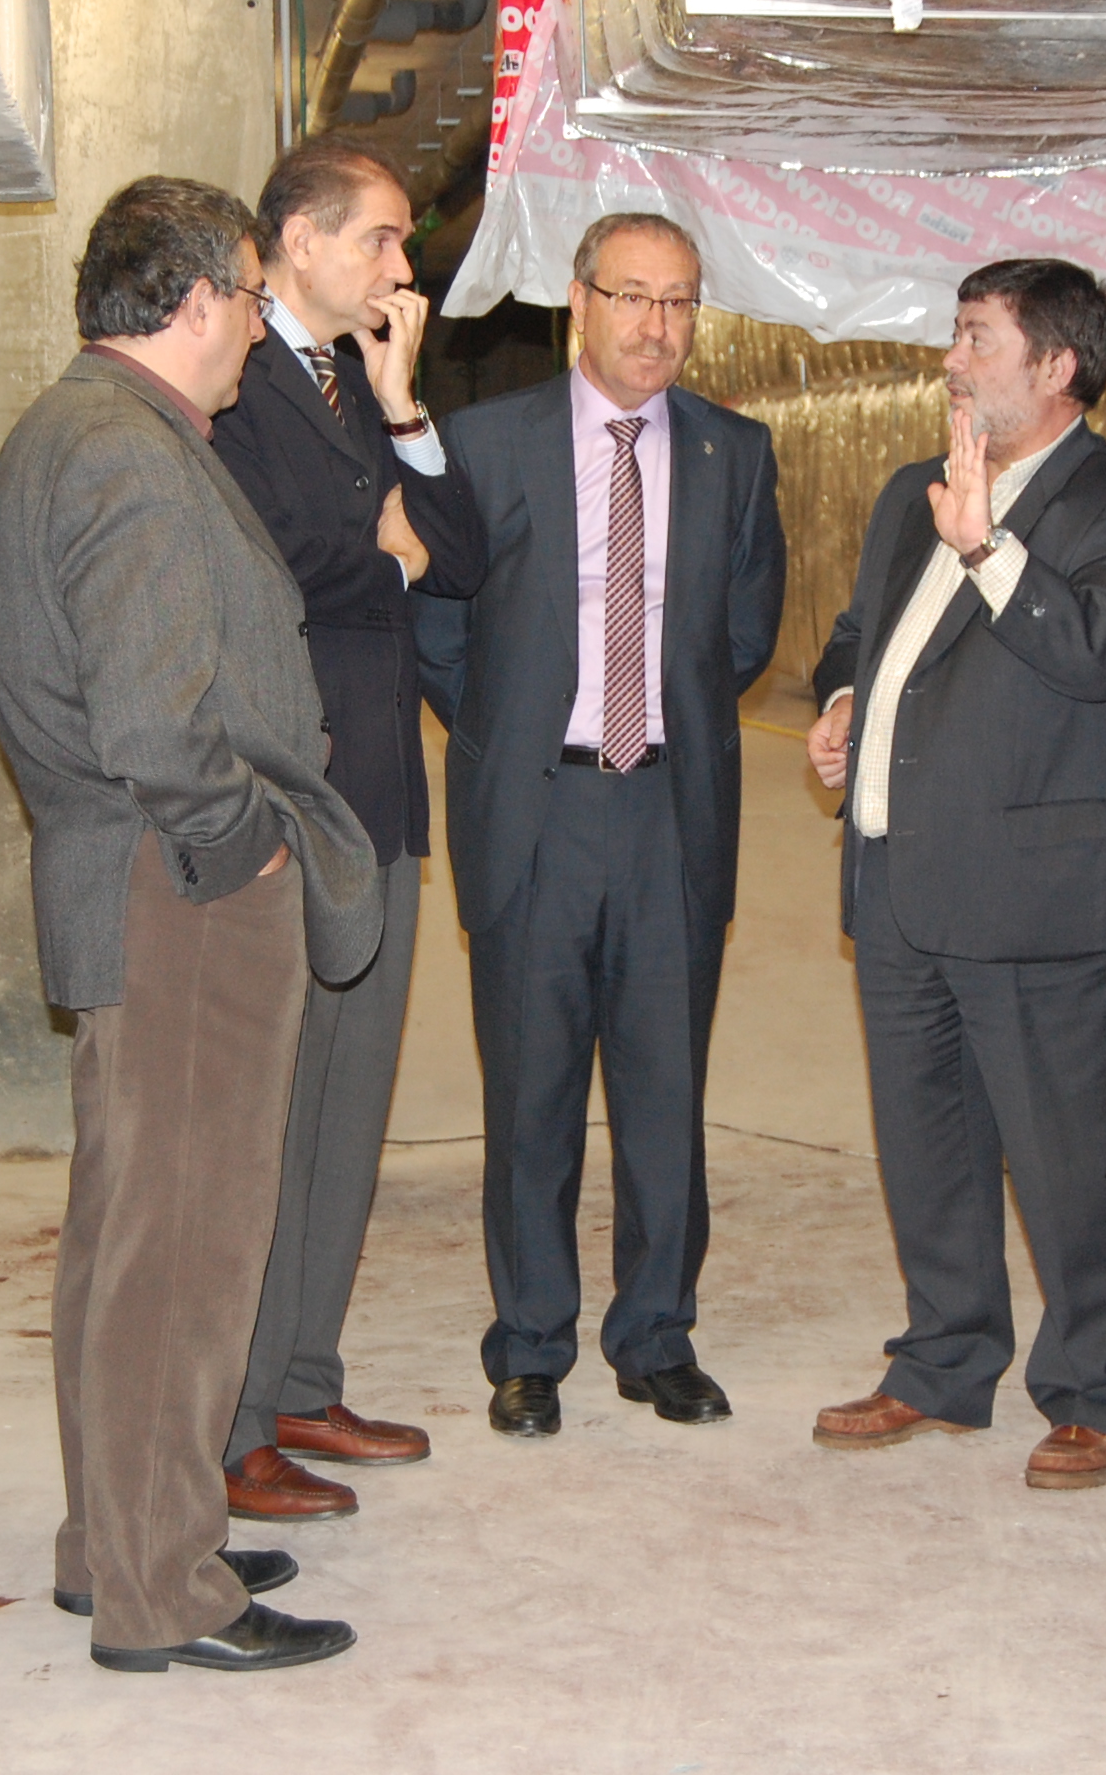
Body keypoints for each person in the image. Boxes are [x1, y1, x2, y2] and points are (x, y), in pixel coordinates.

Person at [0, 176, 383, 1673]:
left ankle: (120, 1543)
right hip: (183, 891)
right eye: (251, 302)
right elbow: (156, 720)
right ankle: (163, 1587)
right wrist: (244, 851)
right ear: (202, 298)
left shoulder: (85, 428)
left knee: (128, 1236)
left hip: (143, 880)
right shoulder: (127, 453)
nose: (257, 334)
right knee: (185, 1251)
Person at [802, 259, 1106, 1491]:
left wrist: (986, 548)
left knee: (1071, 1160)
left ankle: (1100, 1389)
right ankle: (942, 1361)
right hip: (898, 883)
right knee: (928, 1149)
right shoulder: (908, 491)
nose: (950, 360)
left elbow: (1104, 652)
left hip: (1036, 900)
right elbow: (862, 633)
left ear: (1055, 365)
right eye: (954, 334)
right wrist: (842, 700)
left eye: (977, 338)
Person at [414, 212, 785, 1438]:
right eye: (630, 295)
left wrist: (660, 718)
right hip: (538, 808)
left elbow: (743, 628)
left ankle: (655, 1335)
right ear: (576, 301)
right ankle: (529, 1343)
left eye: (677, 301)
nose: (654, 325)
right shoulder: (484, 443)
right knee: (529, 1091)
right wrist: (509, 731)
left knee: (663, 1090)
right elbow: (438, 621)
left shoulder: (734, 451)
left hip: (671, 807)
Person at [205, 138, 488, 1524]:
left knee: (348, 1108)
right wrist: (384, 542)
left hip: (377, 792)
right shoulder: (228, 373)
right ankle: (236, 1413)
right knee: (272, 1118)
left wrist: (403, 411)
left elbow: (465, 556)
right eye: (379, 237)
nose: (401, 264)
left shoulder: (355, 379)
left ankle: (303, 1377)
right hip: (285, 796)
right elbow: (270, 562)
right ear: (300, 240)